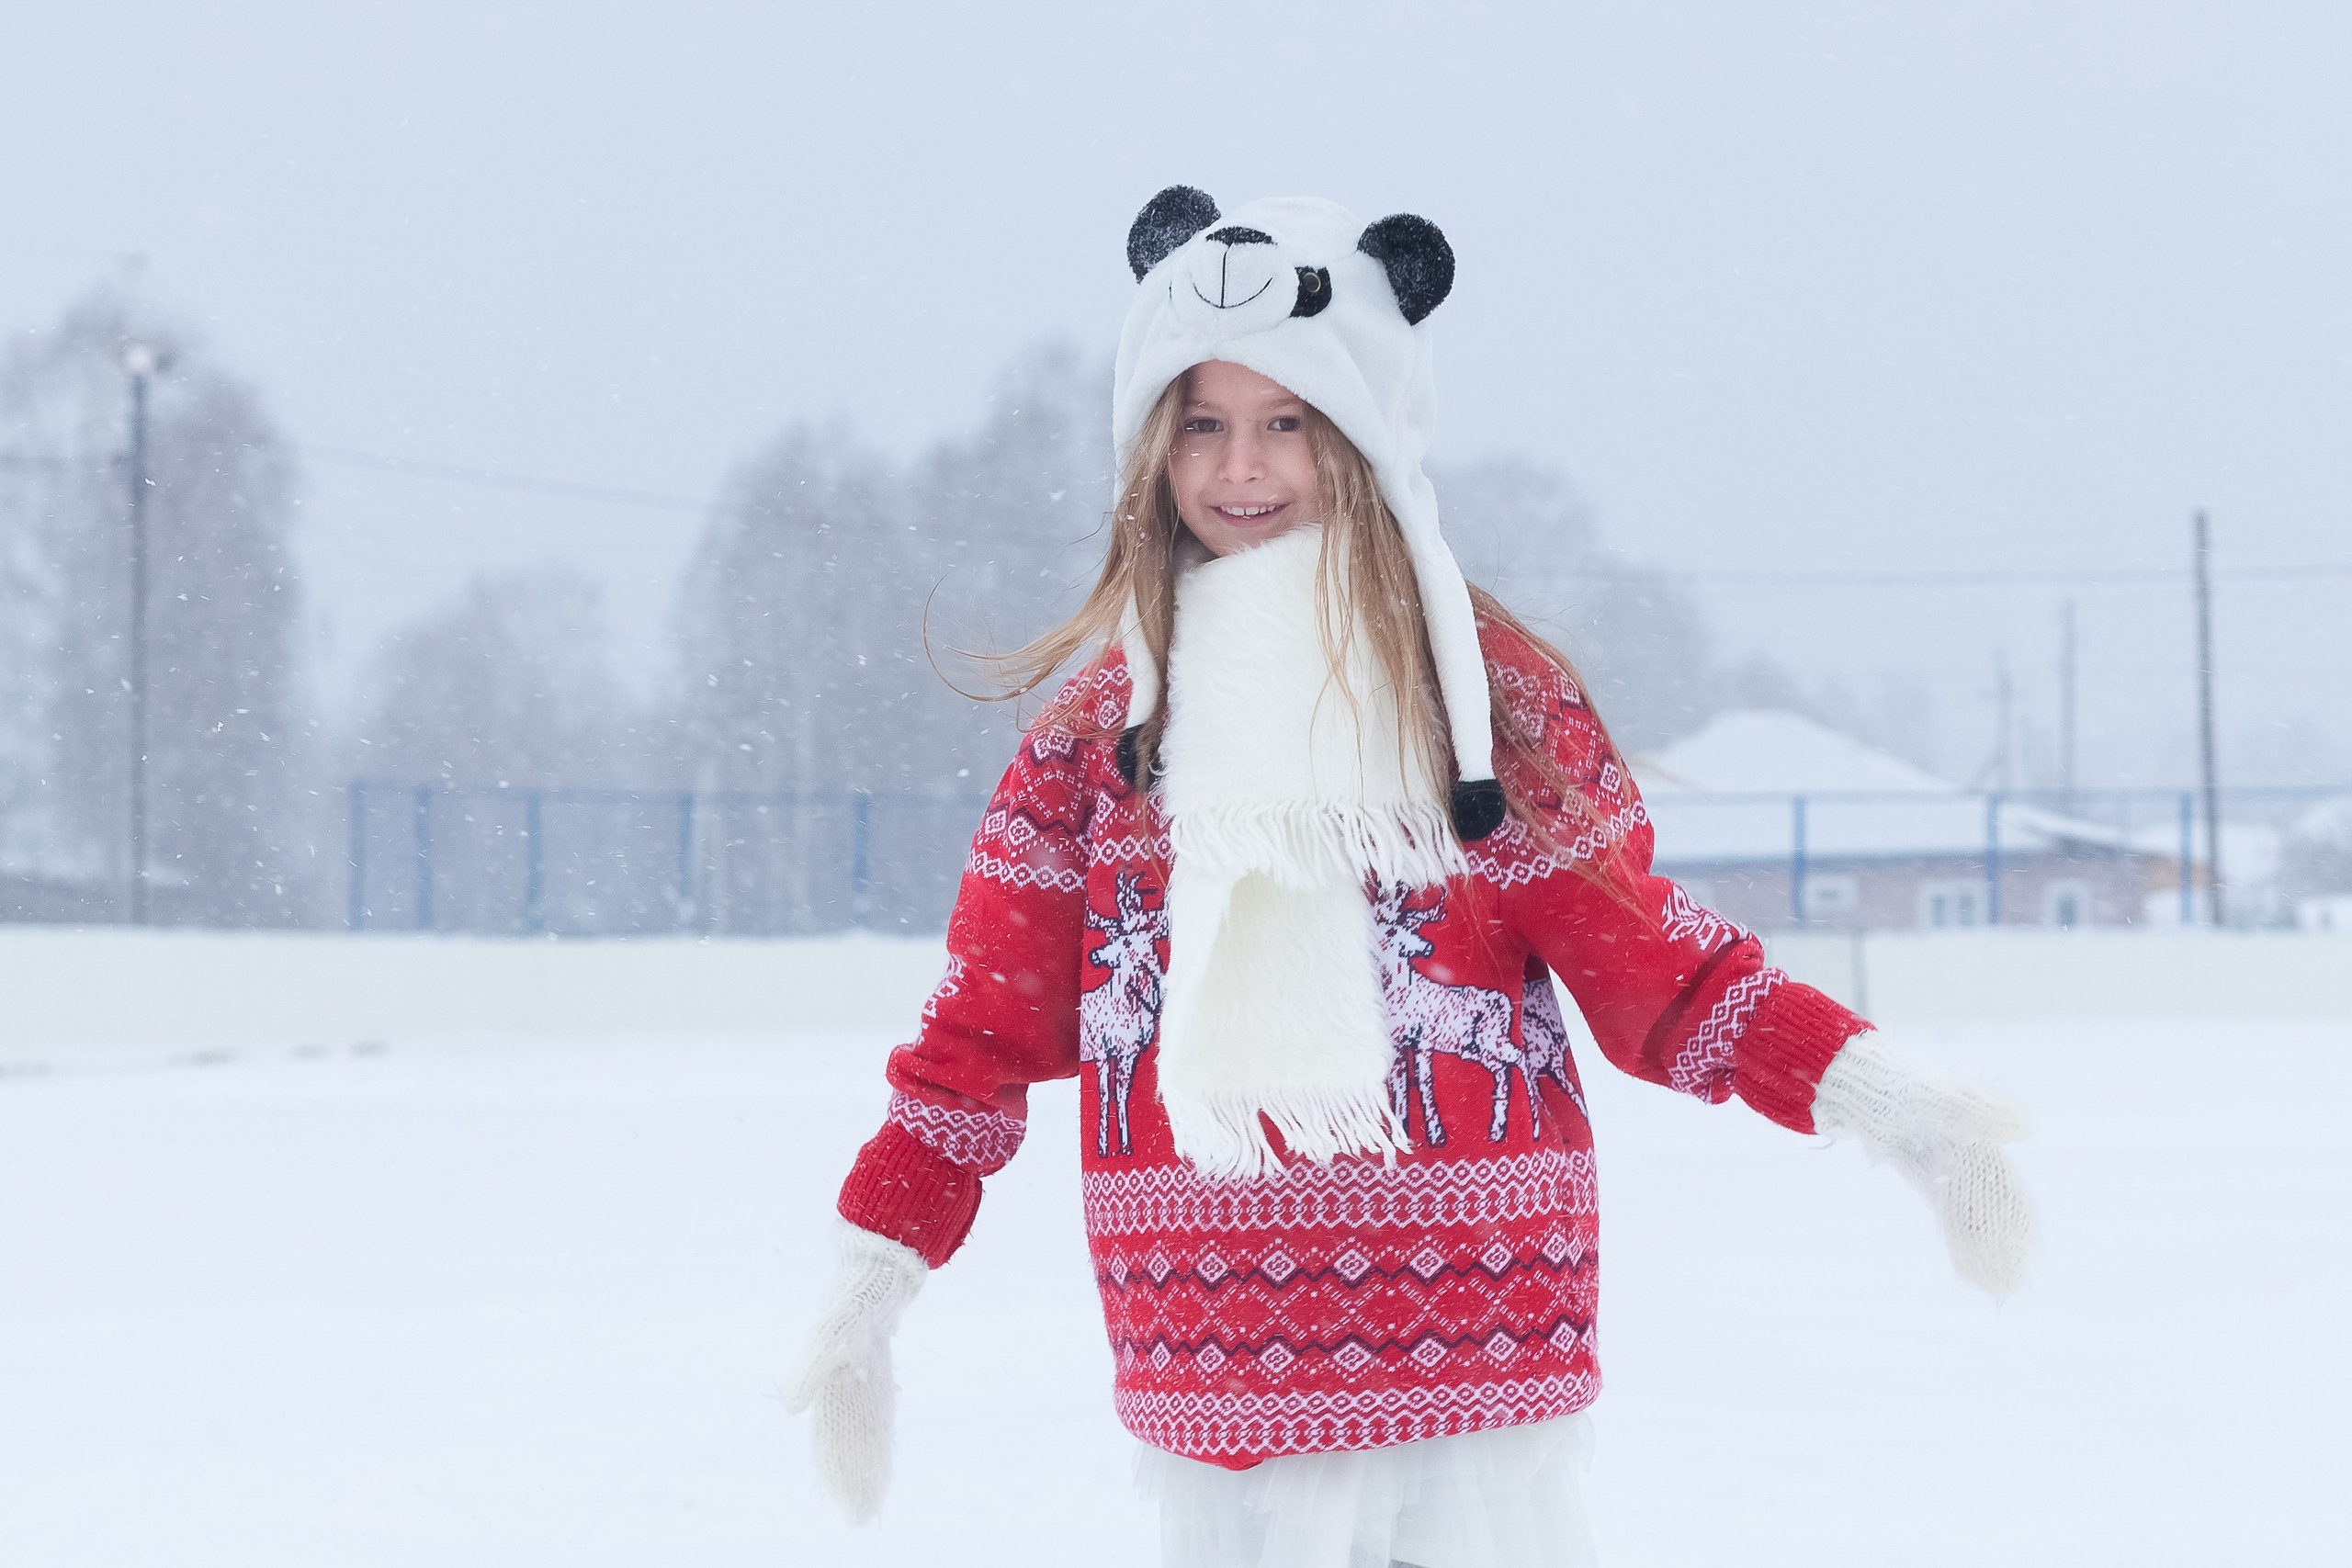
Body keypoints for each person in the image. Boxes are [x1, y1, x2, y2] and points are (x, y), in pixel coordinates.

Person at [786, 188, 2031, 1568]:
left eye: (1289, 421)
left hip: (1466, 1337)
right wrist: (873, 1272)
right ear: (1151, 449)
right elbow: (983, 1034)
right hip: (1209, 1340)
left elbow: (1656, 975)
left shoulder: (1477, 709)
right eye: (1202, 421)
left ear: (1365, 436)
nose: (1241, 465)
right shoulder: (1099, 742)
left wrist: (1892, 1104)